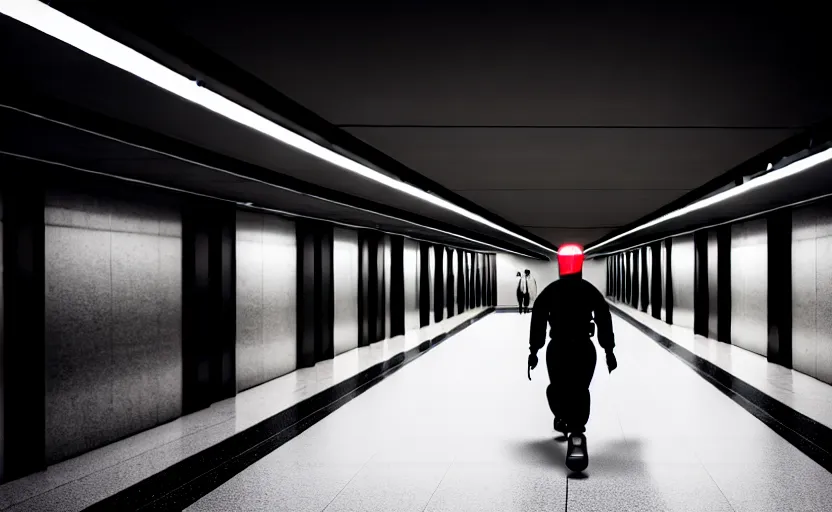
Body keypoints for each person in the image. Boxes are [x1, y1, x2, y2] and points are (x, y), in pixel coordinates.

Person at [527, 243, 617, 472]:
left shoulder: (551, 291)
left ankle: (573, 430)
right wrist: (608, 350)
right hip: (585, 349)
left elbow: (537, 318)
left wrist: (534, 350)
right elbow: (604, 318)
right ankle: (574, 430)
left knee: (559, 388)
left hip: (557, 348)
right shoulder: (588, 290)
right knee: (579, 389)